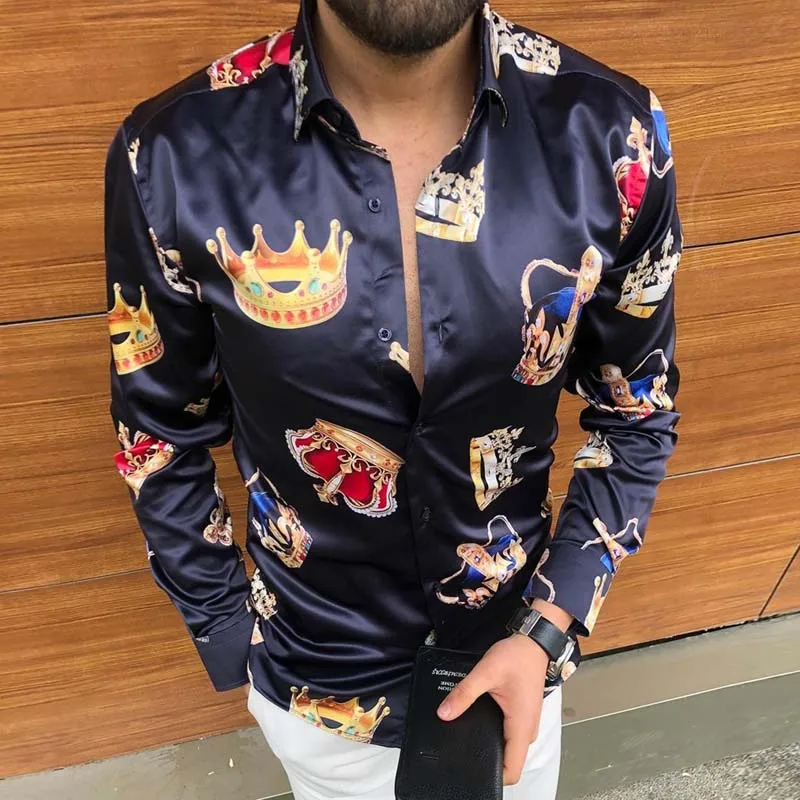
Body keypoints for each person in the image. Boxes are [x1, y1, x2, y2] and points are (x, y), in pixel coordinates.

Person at [103, 0, 682, 797]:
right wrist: (232, 634)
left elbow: (636, 412)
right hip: (313, 690)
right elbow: (158, 432)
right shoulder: (169, 155)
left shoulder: (613, 133)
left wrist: (549, 630)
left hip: (515, 672)